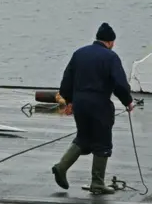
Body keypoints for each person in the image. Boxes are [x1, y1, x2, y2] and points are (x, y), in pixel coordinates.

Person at [52, 22, 135, 195]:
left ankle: (61, 167)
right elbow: (120, 84)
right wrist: (128, 101)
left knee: (84, 138)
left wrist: (69, 101)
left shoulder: (79, 53)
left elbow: (66, 80)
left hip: (80, 104)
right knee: (102, 142)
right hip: (99, 105)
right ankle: (97, 184)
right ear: (111, 42)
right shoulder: (111, 57)